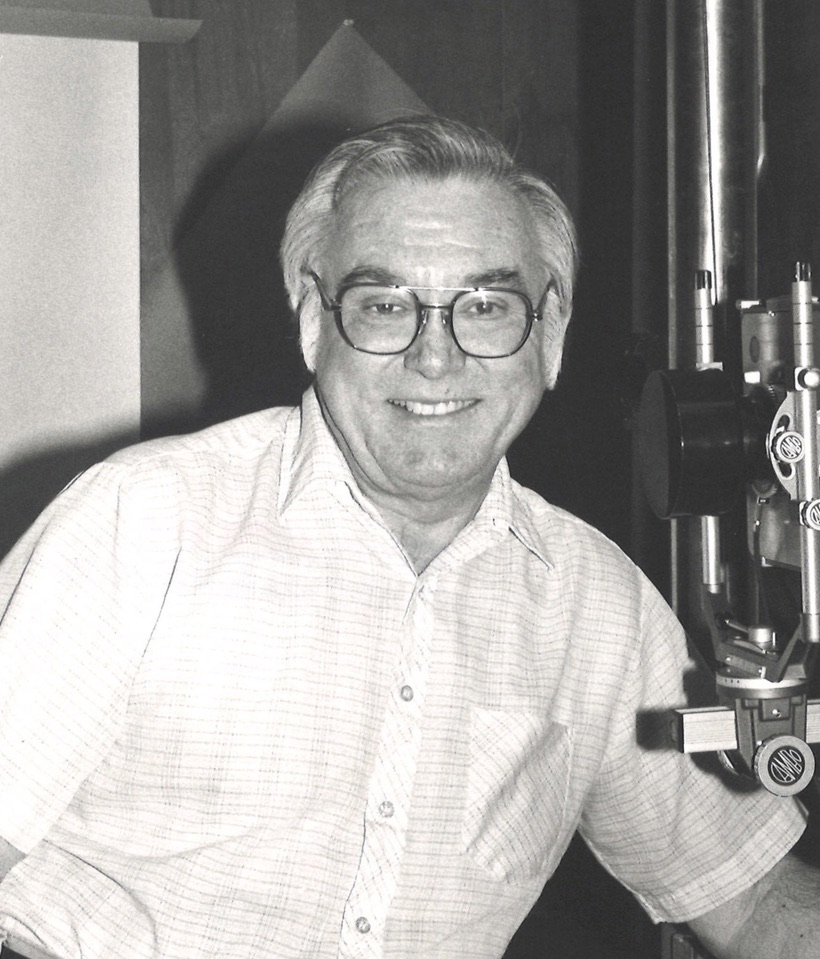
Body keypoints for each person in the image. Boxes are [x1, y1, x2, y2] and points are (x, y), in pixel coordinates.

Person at [0, 115, 817, 959]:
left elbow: (749, 900)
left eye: (487, 306)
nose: (436, 357)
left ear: (551, 332)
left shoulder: (597, 606)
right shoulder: (144, 524)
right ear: (314, 320)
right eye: (386, 305)